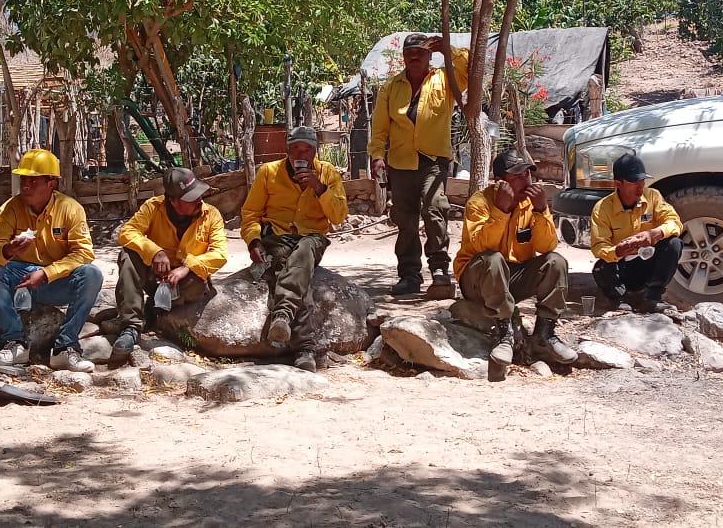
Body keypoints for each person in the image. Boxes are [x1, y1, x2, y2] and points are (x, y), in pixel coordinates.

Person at [453, 148, 577, 381]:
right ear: (500, 182)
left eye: (528, 174)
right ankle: (504, 332)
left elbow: (548, 245)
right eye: (517, 176)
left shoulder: (532, 204)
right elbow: (481, 247)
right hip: (478, 279)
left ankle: (544, 333)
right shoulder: (479, 202)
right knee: (493, 259)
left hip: (513, 277)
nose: (525, 180)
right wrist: (501, 210)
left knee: (556, 262)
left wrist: (541, 209)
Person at [0, 149, 103, 373]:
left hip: (55, 282)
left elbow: (83, 253)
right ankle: (16, 343)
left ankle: (65, 347)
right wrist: (7, 250)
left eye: (33, 181)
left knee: (92, 274)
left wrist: (47, 273)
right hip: (19, 280)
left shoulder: (70, 209)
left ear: (51, 183)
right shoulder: (10, 209)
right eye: (23, 180)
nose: (26, 186)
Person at [241, 126, 348, 371]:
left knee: (303, 252)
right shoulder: (269, 172)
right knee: (296, 276)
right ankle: (305, 350)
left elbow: (339, 216)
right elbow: (251, 213)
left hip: (312, 237)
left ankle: (282, 316)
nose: (301, 154)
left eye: (307, 149)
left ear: (315, 151)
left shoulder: (328, 173)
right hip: (277, 237)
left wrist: (319, 188)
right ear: (287, 151)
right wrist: (253, 240)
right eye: (295, 149)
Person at [368, 33, 469, 296]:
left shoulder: (444, 80)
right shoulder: (391, 88)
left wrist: (450, 50)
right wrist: (377, 156)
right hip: (400, 164)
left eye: (420, 53)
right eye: (410, 53)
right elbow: (379, 128)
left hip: (433, 161)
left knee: (435, 208)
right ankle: (410, 275)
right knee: (406, 221)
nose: (414, 57)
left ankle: (439, 269)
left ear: (429, 57)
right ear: (403, 57)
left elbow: (470, 72)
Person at [111, 167, 227, 362]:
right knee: (128, 255)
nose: (199, 200)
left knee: (199, 282)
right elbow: (127, 232)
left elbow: (220, 254)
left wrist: (187, 267)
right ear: (173, 201)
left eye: (199, 194)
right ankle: (131, 327)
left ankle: (155, 311)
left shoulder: (211, 214)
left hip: (185, 283)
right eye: (191, 197)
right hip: (154, 277)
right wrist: (154, 251)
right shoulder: (152, 207)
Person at [590, 153, 684, 314]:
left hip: (648, 262)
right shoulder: (602, 208)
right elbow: (598, 247)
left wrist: (655, 233)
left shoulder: (652, 196)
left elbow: (675, 222)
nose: (640, 187)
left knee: (674, 244)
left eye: (642, 181)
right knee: (601, 267)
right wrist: (617, 251)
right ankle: (618, 300)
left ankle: (652, 298)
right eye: (634, 182)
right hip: (623, 266)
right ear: (618, 183)